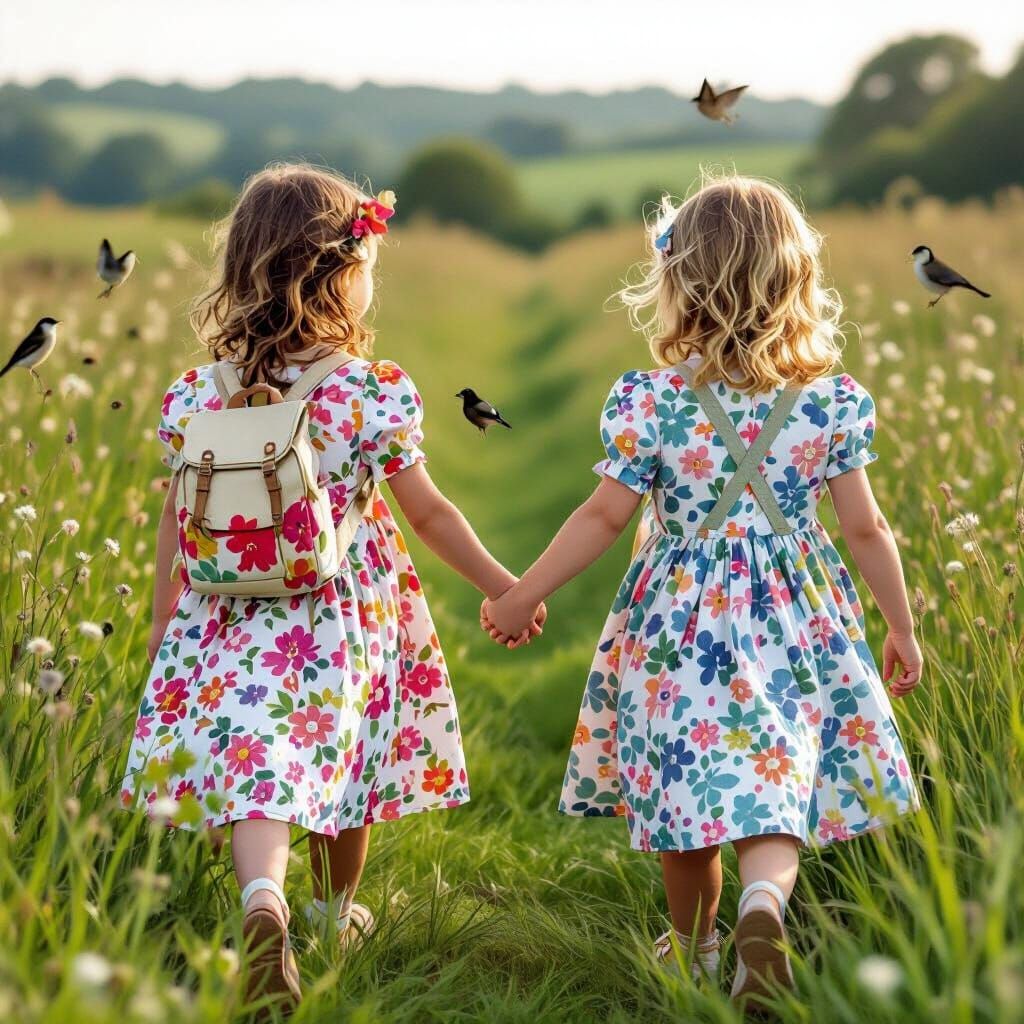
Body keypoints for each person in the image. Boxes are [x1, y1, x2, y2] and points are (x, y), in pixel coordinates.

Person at [481, 175, 922, 1004]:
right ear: (795, 279)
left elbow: (602, 517)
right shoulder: (829, 402)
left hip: (678, 622)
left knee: (691, 781)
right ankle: (764, 906)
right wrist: (901, 627)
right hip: (795, 617)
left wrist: (521, 592)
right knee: (775, 778)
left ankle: (694, 950)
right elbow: (866, 528)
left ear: (679, 281)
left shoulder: (650, 400)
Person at [122, 164, 541, 1014]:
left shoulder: (197, 392)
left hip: (224, 610)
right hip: (337, 613)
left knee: (257, 763)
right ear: (345, 273)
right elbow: (428, 513)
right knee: (344, 760)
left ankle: (261, 900)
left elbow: (176, 512)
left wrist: (167, 614)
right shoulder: (364, 390)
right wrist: (507, 586)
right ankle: (331, 912)